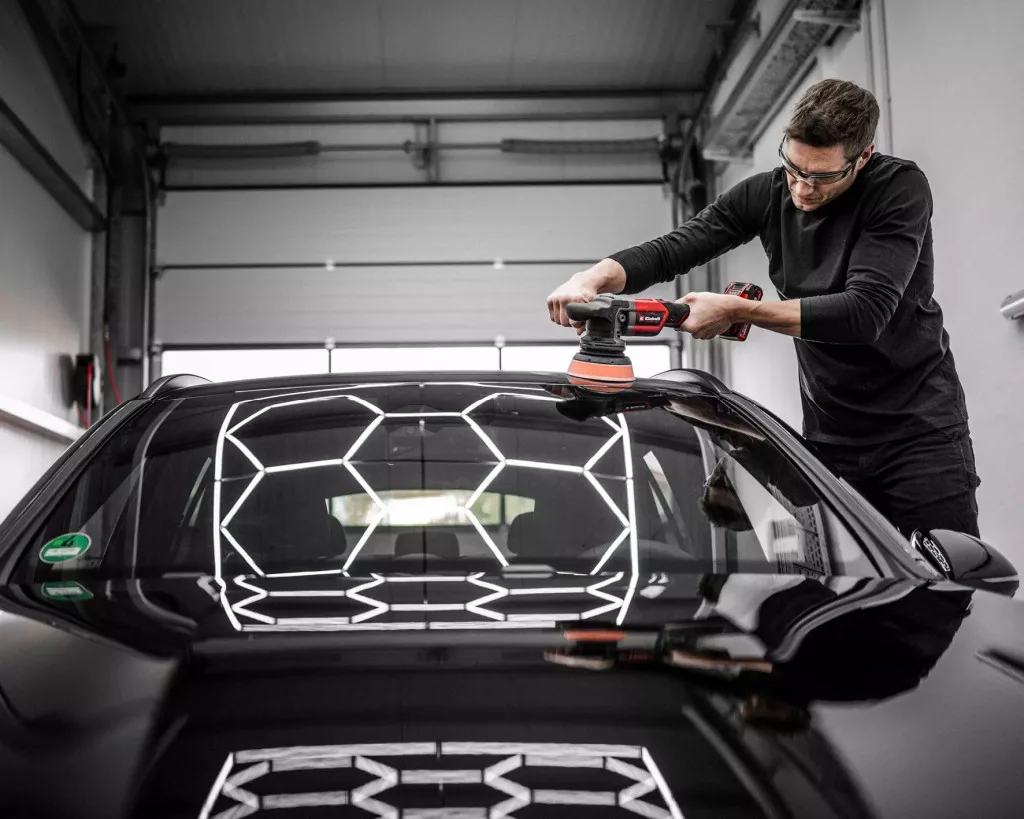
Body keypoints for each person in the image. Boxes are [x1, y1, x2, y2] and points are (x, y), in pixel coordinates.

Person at [546, 78, 980, 539]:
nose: (802, 189)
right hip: (830, 436)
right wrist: (591, 278)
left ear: (863, 157)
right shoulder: (768, 194)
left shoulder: (897, 189)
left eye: (822, 177)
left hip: (919, 434)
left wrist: (738, 311)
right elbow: (673, 249)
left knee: (946, 573)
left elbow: (864, 314)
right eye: (793, 168)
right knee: (849, 576)